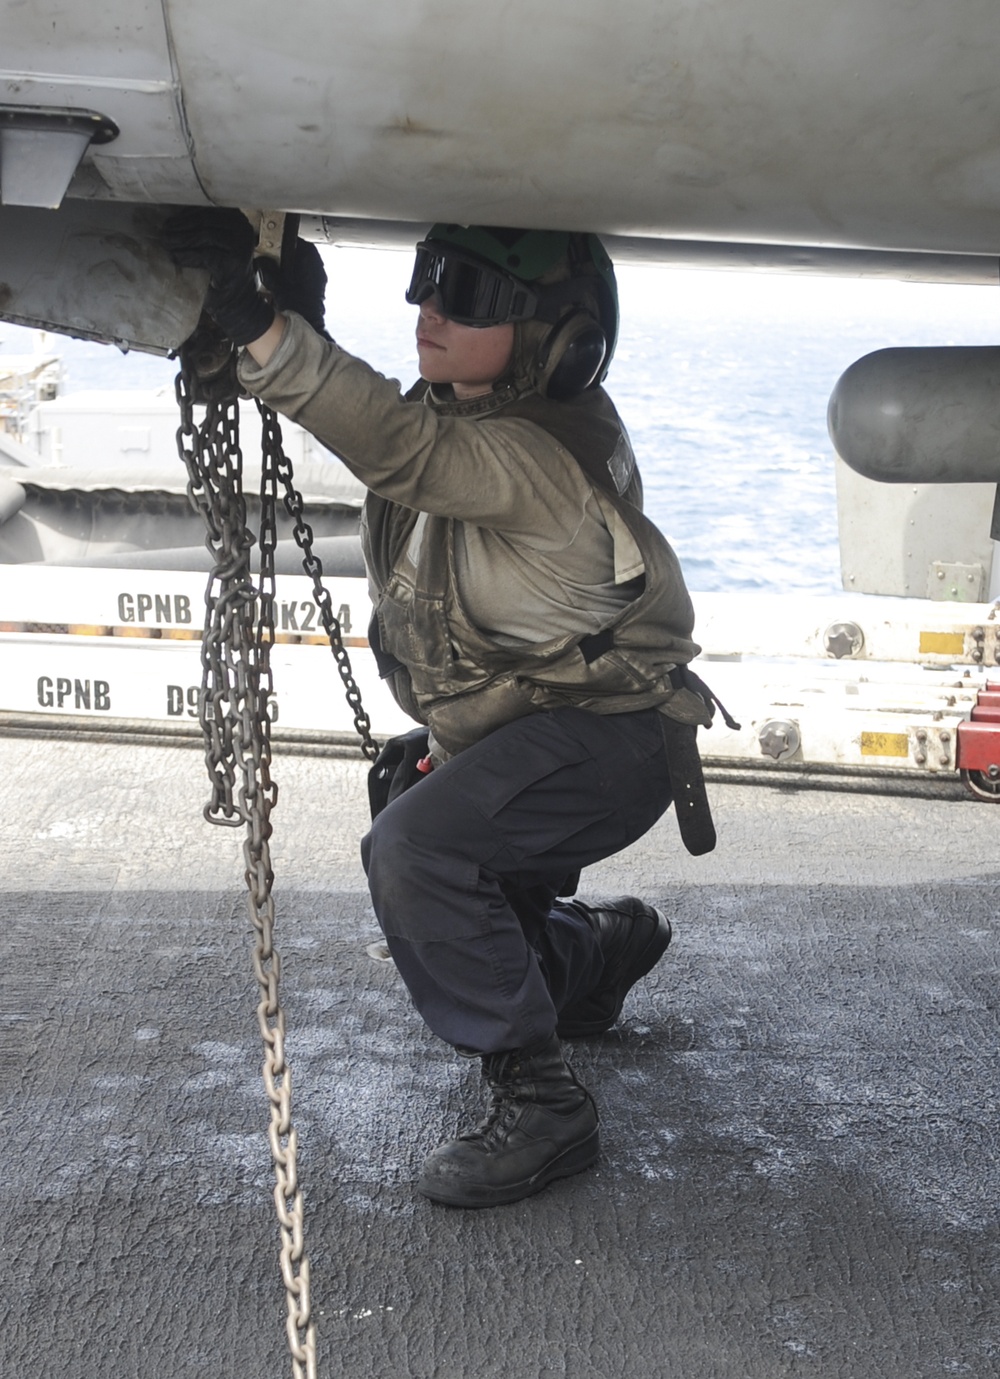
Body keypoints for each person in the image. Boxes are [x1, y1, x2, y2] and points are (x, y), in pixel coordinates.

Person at [165, 211, 717, 1208]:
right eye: (427, 279)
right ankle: (585, 957)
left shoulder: (538, 454)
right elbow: (392, 419)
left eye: (467, 296)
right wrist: (292, 327)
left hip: (606, 741)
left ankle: (540, 1100)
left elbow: (402, 449)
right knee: (407, 792)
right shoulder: (473, 411)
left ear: (557, 335)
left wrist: (264, 331)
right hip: (545, 723)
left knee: (418, 848)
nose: (429, 309)